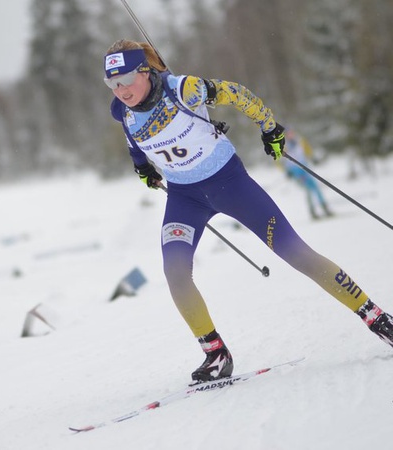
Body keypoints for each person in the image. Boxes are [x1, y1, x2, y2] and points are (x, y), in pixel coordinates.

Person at [103, 40, 393, 383]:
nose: (120, 90)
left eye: (125, 80)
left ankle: (376, 317)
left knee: (296, 253)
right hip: (184, 198)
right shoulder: (122, 110)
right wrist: (142, 167)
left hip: (229, 185)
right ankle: (216, 353)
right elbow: (132, 140)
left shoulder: (183, 89)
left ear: (145, 71)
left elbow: (237, 94)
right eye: (112, 83)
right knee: (175, 270)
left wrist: (269, 126)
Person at [280, 128, 333, 219]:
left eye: (291, 133)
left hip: (304, 167)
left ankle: (325, 207)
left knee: (315, 187)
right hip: (295, 170)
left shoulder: (299, 140)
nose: (290, 135)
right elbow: (280, 160)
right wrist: (287, 171)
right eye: (288, 134)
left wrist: (313, 158)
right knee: (308, 189)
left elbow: (307, 150)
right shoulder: (283, 145)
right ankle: (312, 211)